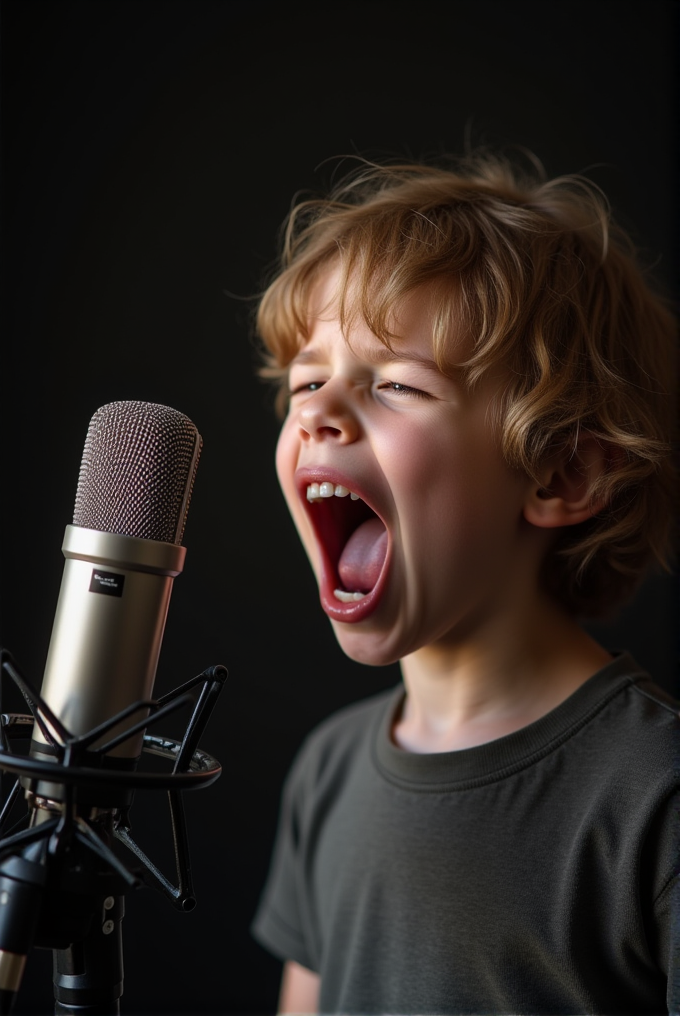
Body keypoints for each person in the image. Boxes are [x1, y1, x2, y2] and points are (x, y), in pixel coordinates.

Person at [249, 150, 678, 1015]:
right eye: (307, 380)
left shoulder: (655, 793)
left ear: (560, 475)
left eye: (398, 383)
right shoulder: (328, 772)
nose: (317, 411)